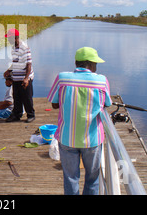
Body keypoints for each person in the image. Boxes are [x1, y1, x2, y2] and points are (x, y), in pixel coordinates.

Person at [47, 47, 112, 195]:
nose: (96, 67)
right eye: (96, 63)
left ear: (77, 63)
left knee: (70, 177)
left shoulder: (62, 77)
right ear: (90, 64)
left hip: (67, 138)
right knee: (92, 178)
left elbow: (54, 104)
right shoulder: (102, 81)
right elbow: (107, 104)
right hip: (92, 139)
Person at [3, 28, 35, 123]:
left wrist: (26, 78)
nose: (8, 40)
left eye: (9, 38)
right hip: (16, 77)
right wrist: (9, 70)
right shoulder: (13, 48)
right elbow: (16, 62)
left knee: (27, 97)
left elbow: (28, 64)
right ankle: (17, 115)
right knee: (16, 97)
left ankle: (31, 115)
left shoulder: (24, 47)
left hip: (24, 77)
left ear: (15, 37)